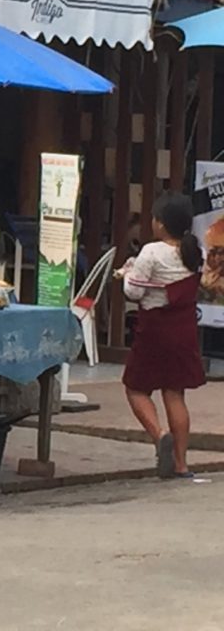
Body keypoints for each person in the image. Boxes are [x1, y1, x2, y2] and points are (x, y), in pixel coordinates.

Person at [120, 192, 205, 479]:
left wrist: (128, 273)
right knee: (175, 391)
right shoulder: (196, 252)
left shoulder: (151, 252)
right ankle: (181, 464)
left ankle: (160, 436)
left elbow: (134, 292)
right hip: (183, 330)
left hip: (154, 329)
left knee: (135, 387)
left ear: (161, 224)